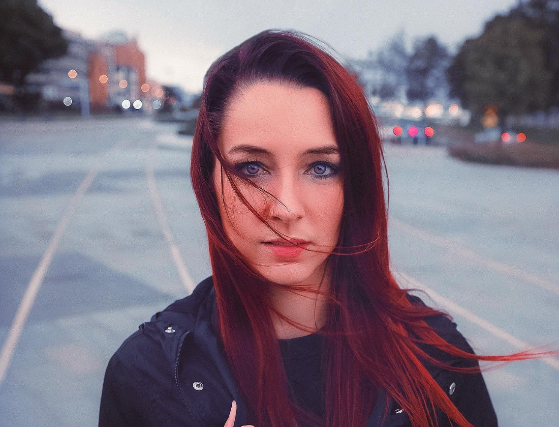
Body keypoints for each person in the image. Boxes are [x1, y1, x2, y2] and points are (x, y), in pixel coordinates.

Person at [99, 30, 538, 427]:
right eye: (251, 168)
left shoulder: (434, 361)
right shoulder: (148, 376)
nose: (286, 208)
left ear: (355, 186)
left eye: (321, 168)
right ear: (207, 180)